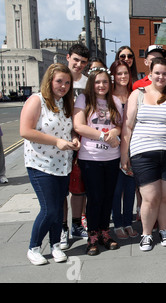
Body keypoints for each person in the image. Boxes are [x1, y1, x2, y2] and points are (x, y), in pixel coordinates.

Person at [21, 63, 80, 265]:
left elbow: (69, 128)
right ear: (49, 80)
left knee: (59, 208)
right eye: (59, 81)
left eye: (66, 82)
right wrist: (56, 142)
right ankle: (34, 247)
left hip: (62, 165)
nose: (63, 86)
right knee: (50, 209)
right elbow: (26, 131)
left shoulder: (66, 102)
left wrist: (73, 137)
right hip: (40, 165)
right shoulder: (36, 100)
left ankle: (55, 244)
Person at [121, 58, 166, 251]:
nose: (161, 77)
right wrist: (124, 155)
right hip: (142, 152)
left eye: (165, 74)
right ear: (150, 74)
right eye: (158, 73)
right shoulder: (138, 94)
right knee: (150, 197)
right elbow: (127, 126)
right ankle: (146, 234)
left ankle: (164, 230)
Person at [73, 67, 123, 256]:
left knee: (108, 197)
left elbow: (119, 126)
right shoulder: (83, 99)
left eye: (104, 82)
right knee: (94, 198)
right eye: (97, 82)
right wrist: (103, 137)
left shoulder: (115, 101)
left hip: (111, 157)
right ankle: (92, 236)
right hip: (90, 158)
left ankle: (105, 232)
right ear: (91, 83)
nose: (101, 85)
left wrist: (114, 133)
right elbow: (79, 125)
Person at [61, 43, 90, 249]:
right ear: (68, 57)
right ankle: (62, 228)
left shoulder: (88, 84)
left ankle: (76, 224)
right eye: (76, 60)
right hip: (57, 144)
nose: (79, 65)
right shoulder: (59, 79)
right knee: (61, 189)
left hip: (81, 143)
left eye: (83, 62)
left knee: (79, 188)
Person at [109, 60, 139, 240]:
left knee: (129, 188)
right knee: (116, 189)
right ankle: (117, 224)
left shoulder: (134, 95)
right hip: (112, 150)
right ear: (113, 75)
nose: (122, 77)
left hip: (133, 146)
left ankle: (128, 222)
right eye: (119, 73)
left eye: (125, 73)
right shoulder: (108, 96)